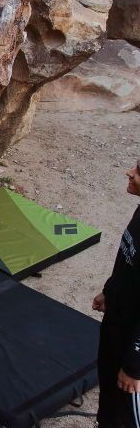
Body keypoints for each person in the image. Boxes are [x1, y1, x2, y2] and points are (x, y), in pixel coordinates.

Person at [93, 159, 140, 427]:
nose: (130, 173)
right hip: (116, 327)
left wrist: (134, 367)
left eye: (139, 171)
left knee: (125, 414)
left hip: (133, 346)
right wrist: (110, 290)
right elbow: (128, 262)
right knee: (109, 403)